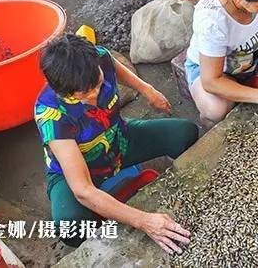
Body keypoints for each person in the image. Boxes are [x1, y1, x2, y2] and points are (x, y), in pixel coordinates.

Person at [34, 35, 198, 254]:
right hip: (80, 169)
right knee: (70, 226)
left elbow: (115, 66)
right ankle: (100, 222)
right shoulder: (51, 115)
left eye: (98, 85)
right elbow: (83, 190)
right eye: (84, 94)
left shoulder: (97, 59)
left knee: (185, 133)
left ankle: (116, 190)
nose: (95, 95)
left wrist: (148, 90)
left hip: (117, 138)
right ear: (62, 92)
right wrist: (144, 221)